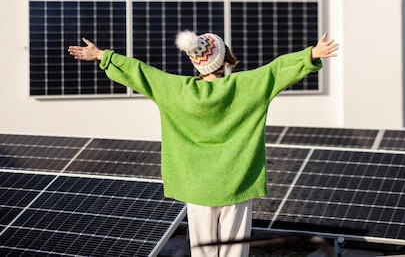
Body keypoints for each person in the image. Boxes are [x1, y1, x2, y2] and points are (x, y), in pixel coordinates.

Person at [68, 31, 339, 257]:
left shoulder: (174, 90)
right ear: (223, 59)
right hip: (238, 183)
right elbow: (277, 69)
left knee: (202, 252)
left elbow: (140, 72)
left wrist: (102, 55)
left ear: (195, 61)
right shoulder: (246, 86)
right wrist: (311, 54)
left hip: (196, 188)